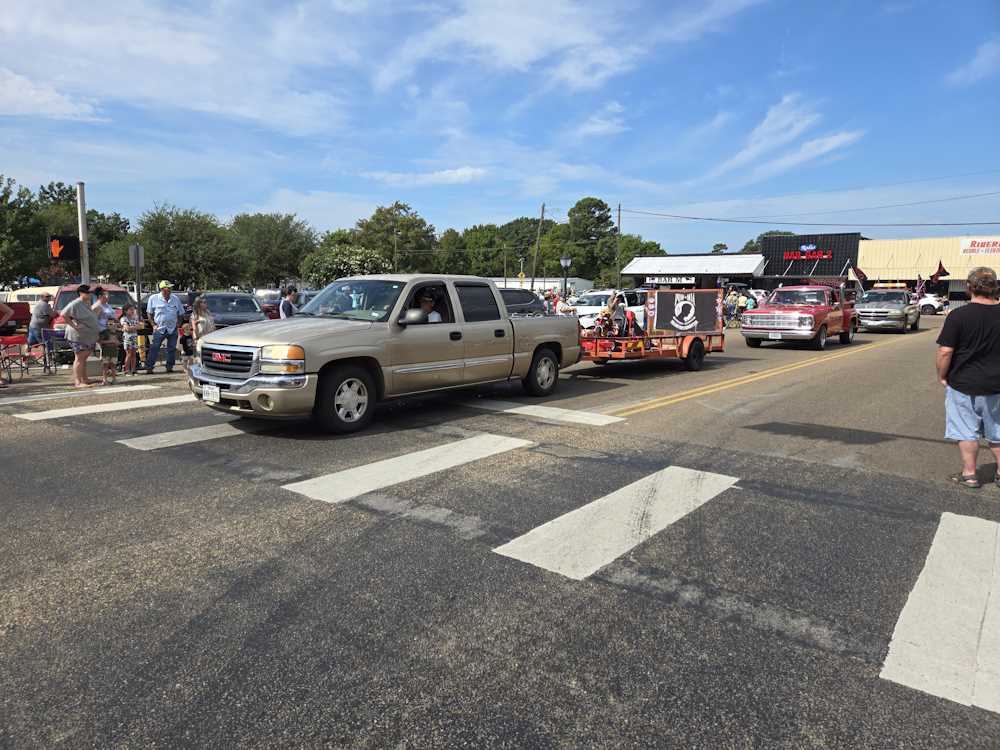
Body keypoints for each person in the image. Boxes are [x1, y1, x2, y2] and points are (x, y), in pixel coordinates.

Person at [936, 267, 1000, 488]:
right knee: (998, 432)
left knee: (966, 431)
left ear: (969, 287)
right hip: (996, 386)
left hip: (963, 383)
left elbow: (945, 351)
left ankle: (970, 474)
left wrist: (942, 375)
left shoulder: (958, 315)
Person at [62, 284, 101, 388]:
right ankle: (78, 382)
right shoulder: (75, 303)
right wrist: (74, 326)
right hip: (78, 335)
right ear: (81, 293)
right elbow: (63, 314)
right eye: (88, 293)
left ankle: (84, 378)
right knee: (80, 357)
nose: (90, 294)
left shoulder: (86, 302)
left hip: (87, 335)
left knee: (84, 357)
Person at [144, 280, 185, 374]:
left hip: (172, 328)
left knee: (171, 348)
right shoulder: (153, 298)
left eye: (170, 288)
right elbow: (149, 313)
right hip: (159, 328)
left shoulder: (175, 298)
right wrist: (153, 325)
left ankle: (169, 367)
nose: (170, 290)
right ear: (162, 289)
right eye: (168, 288)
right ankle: (149, 367)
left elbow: (181, 313)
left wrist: (178, 324)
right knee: (154, 348)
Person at [120, 303, 141, 376]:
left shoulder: (135, 318)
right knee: (128, 354)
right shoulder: (123, 319)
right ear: (125, 311)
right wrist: (133, 327)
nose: (132, 311)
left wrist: (131, 327)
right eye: (130, 310)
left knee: (134, 354)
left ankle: (133, 370)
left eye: (133, 309)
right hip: (127, 338)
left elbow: (139, 326)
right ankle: (126, 370)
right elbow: (127, 328)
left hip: (134, 337)